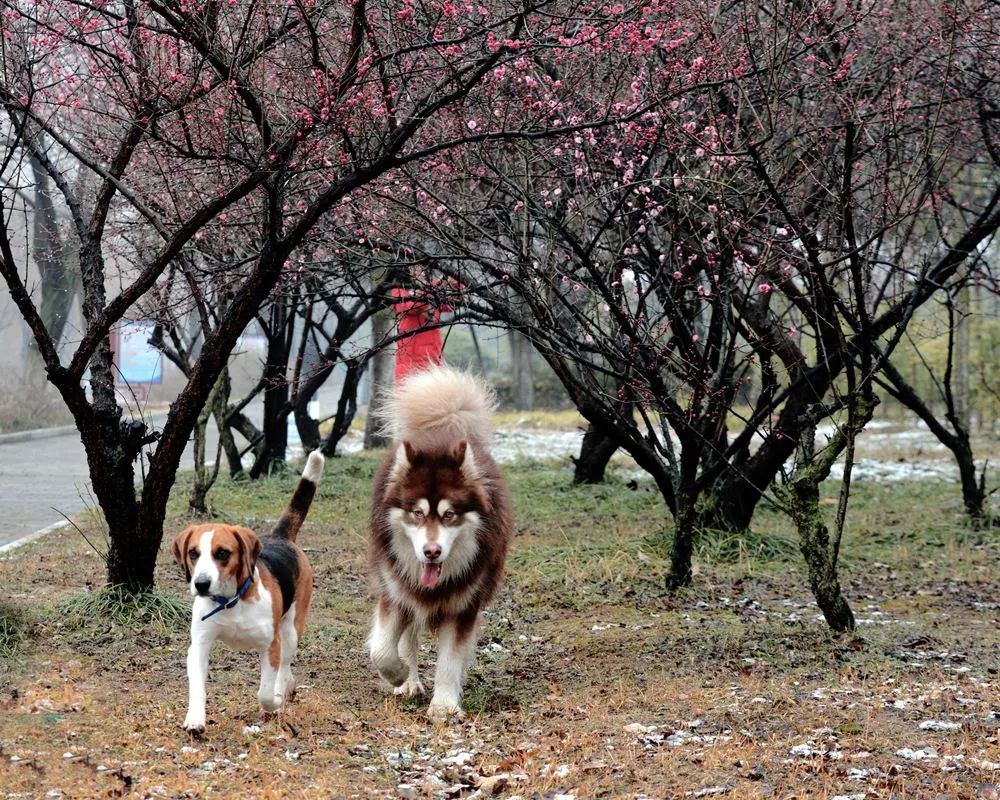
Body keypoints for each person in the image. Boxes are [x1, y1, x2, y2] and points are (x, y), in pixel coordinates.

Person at [391, 270, 460, 383]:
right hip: (409, 361)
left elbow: (453, 303)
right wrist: (436, 287)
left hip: (432, 358)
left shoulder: (432, 292)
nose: (422, 273)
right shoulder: (399, 290)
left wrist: (454, 283)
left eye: (423, 269)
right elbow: (411, 307)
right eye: (416, 269)